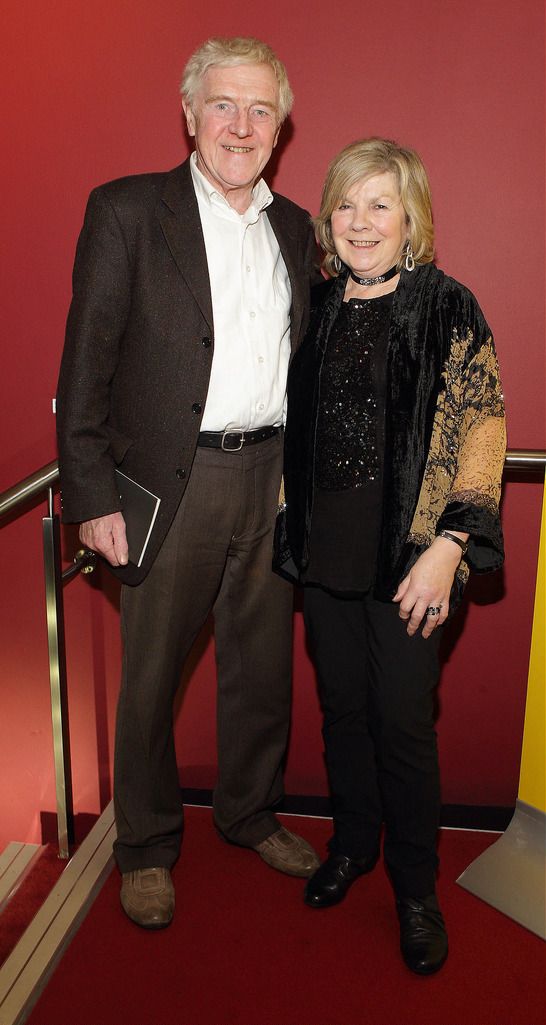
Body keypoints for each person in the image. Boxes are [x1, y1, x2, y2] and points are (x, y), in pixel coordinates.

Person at [56, 36, 320, 930]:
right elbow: (84, 368)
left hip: (272, 477)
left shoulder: (294, 228)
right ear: (190, 115)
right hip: (172, 484)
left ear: (280, 127)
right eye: (223, 105)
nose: (240, 125)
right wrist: (91, 498)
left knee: (262, 668)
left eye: (259, 110)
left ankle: (249, 814)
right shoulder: (128, 211)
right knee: (151, 678)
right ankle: (146, 845)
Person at [274, 137, 506, 974]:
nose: (361, 221)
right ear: (329, 220)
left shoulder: (448, 306)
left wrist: (451, 546)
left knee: (404, 726)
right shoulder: (318, 304)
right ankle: (352, 844)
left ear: (412, 218)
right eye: (346, 204)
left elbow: (483, 426)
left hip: (412, 560)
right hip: (324, 556)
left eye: (381, 203)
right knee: (341, 712)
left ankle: (416, 888)